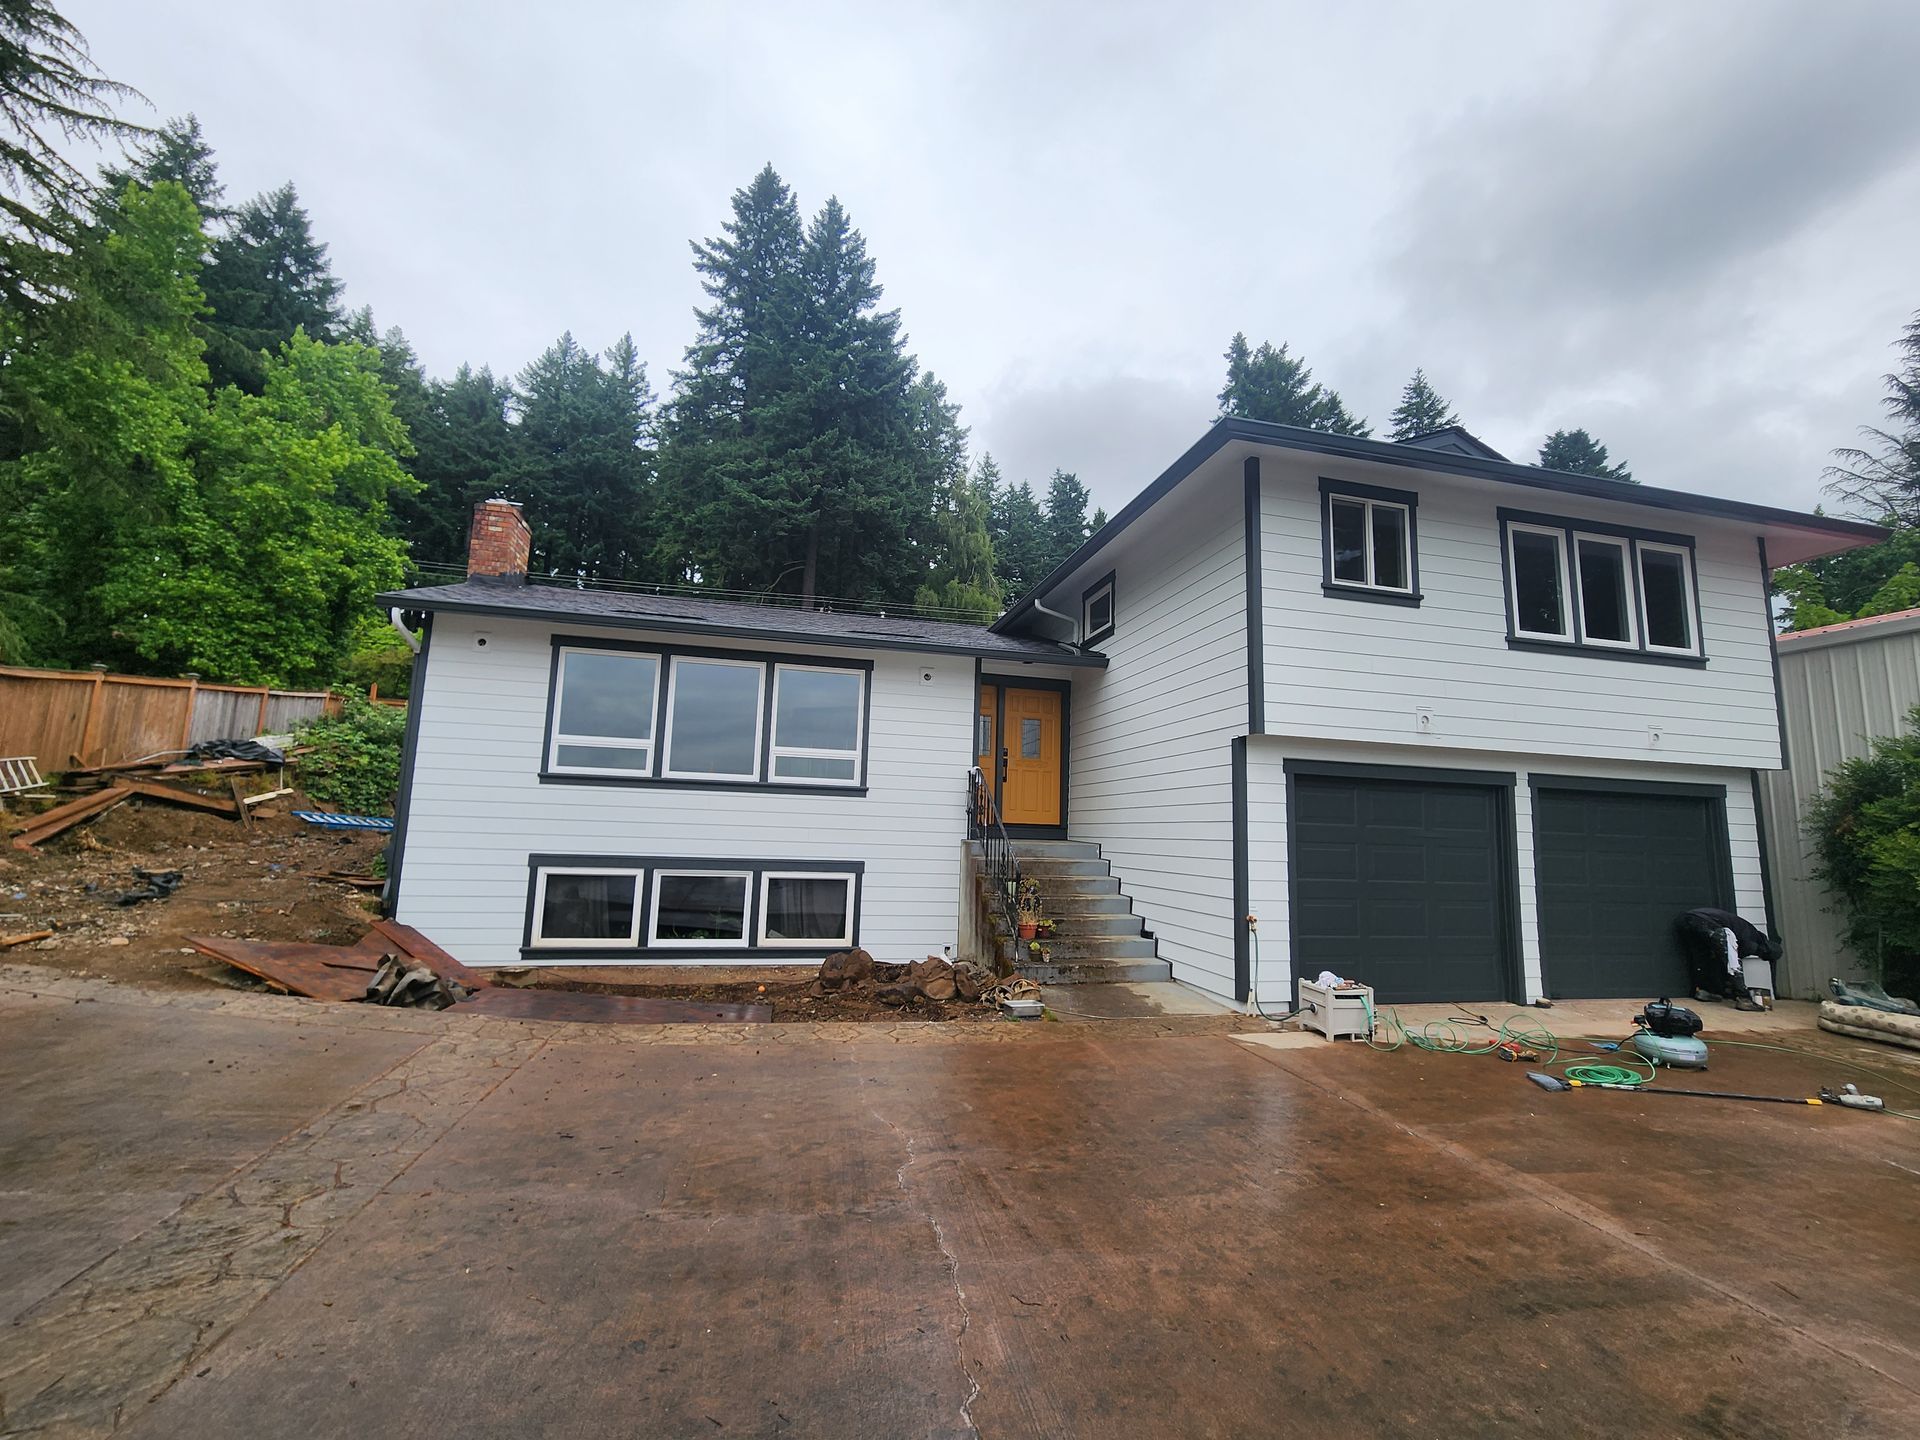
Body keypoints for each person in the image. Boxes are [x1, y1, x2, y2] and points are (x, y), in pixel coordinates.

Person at [1674, 908, 1782, 1012]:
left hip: (1687, 919)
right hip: (1705, 921)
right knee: (1733, 963)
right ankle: (1744, 999)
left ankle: (1706, 991)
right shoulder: (1752, 939)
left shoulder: (1749, 932)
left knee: (1704, 957)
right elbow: (1732, 961)